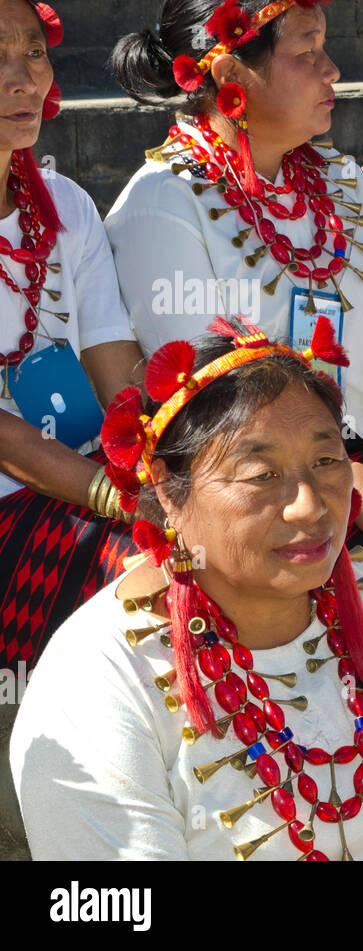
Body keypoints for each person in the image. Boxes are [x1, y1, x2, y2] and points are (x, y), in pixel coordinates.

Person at [9, 319, 363, 860]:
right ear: (169, 493)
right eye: (262, 475)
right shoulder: (100, 677)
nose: (310, 505)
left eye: (327, 460)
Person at [106, 0, 363, 594]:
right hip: (265, 480)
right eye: (307, 52)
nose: (333, 70)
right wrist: (352, 486)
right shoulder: (165, 201)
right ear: (231, 75)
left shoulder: (339, 179)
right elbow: (216, 393)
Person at [0, 0, 145, 665]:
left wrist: (167, 476)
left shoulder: (67, 206)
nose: (23, 79)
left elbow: (119, 374)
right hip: (19, 505)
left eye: (34, 51)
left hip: (83, 479)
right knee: (154, 575)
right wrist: (120, 499)